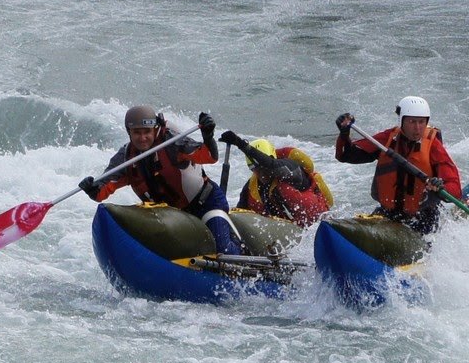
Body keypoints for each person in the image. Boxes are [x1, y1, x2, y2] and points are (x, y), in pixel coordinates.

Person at [82, 104, 244, 252]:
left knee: (223, 250)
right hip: (171, 218)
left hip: (205, 204)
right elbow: (101, 192)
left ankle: (241, 250)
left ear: (155, 130)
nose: (142, 138)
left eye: (147, 132)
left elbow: (209, 156)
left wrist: (208, 136)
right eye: (137, 132)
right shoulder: (125, 158)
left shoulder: (172, 143)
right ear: (128, 132)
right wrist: (92, 188)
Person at [332, 95, 461, 234]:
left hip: (422, 219)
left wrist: (441, 187)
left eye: (421, 122)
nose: (417, 128)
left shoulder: (434, 147)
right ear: (402, 120)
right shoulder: (388, 138)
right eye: (412, 122)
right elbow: (346, 155)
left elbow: (456, 189)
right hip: (389, 213)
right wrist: (344, 135)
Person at [222, 132, 333, 225]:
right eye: (255, 169)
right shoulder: (251, 187)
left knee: (282, 187)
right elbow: (240, 213)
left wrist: (240, 144)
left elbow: (271, 164)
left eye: (263, 168)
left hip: (318, 223)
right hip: (286, 228)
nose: (261, 174)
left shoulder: (292, 169)